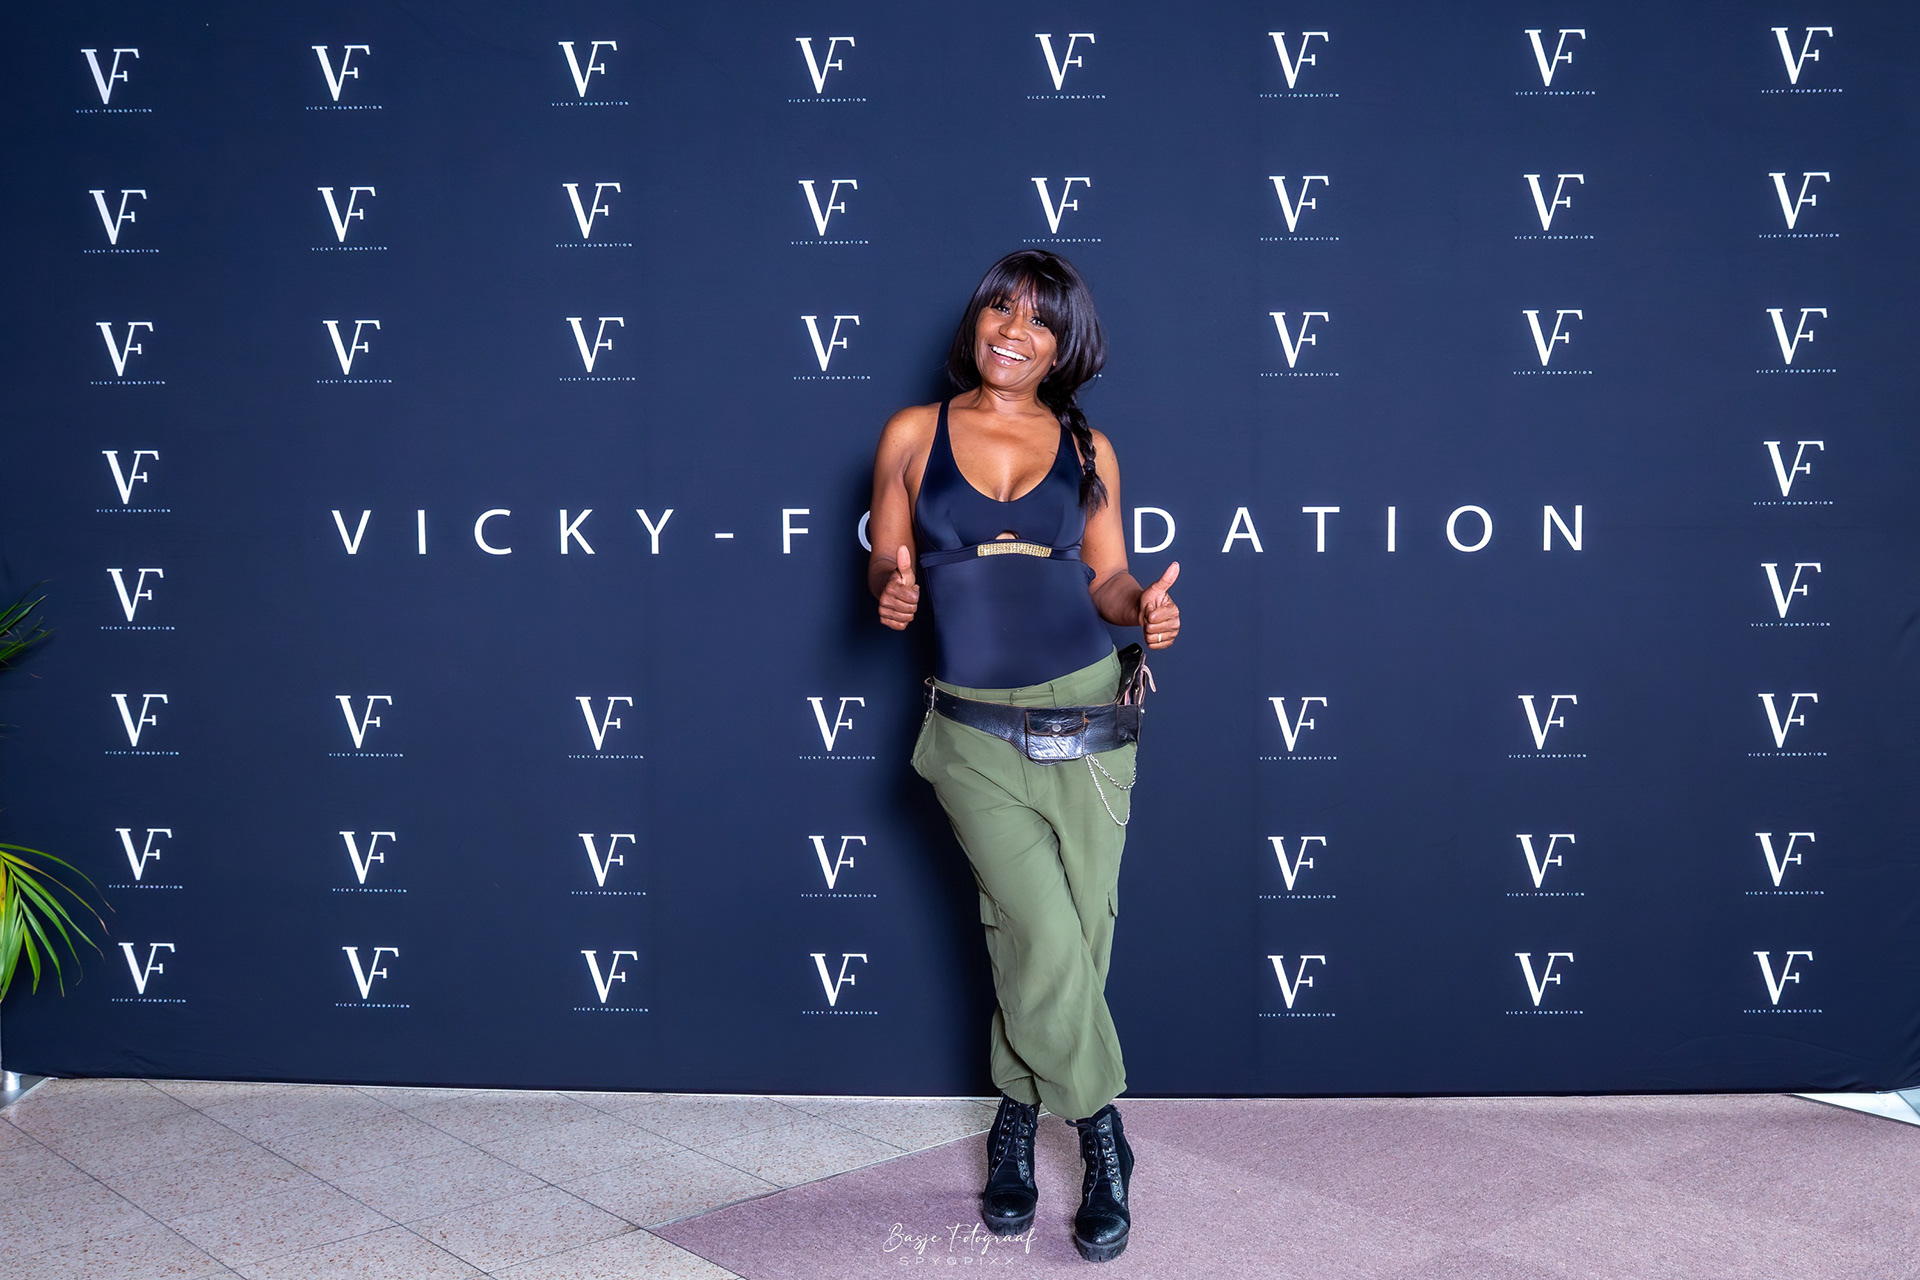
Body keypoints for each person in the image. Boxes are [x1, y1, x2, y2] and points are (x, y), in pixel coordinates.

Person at [866, 249, 1180, 1263]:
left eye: (1041, 320)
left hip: (1087, 716)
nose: (1015, 329)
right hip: (970, 732)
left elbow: (1108, 579)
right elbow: (887, 558)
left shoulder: (1090, 445)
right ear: (978, 319)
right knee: (1043, 932)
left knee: (1075, 936)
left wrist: (1145, 610)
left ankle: (1014, 1117)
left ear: (1064, 345)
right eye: (1002, 307)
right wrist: (893, 592)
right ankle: (1102, 1134)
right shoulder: (913, 434)